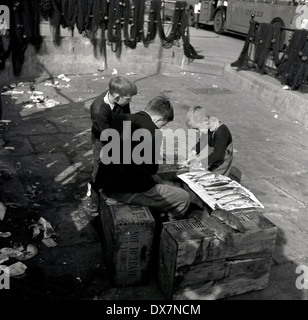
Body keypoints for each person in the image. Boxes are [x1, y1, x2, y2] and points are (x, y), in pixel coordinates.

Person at [94, 95, 191, 221]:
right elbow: (151, 169)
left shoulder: (120, 118)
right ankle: (164, 229)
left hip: (106, 183)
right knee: (183, 197)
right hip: (126, 190)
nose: (160, 128)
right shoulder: (153, 132)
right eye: (162, 125)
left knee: (158, 181)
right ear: (159, 119)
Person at [89, 75, 138, 212]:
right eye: (128, 99)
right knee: (99, 169)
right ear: (116, 98)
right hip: (102, 138)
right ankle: (94, 199)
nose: (130, 101)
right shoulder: (98, 110)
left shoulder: (123, 99)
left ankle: (115, 187)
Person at [185, 106, 233, 176]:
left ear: (205, 121)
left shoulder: (221, 132)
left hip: (222, 160)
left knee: (217, 178)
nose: (197, 131)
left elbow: (218, 154)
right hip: (213, 157)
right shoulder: (207, 127)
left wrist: (202, 163)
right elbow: (203, 141)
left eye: (197, 128)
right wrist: (194, 151)